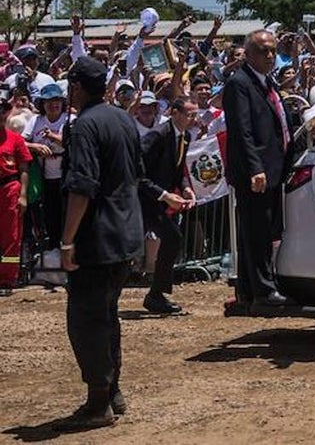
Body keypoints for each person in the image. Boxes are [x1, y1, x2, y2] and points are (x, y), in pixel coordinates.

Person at [57, 56, 145, 430]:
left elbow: (82, 187)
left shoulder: (83, 128)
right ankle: (113, 392)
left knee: (86, 320)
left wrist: (67, 240)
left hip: (97, 237)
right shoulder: (123, 118)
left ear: (76, 87)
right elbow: (137, 174)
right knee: (108, 315)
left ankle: (98, 402)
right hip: (126, 234)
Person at [223, 30, 291, 308]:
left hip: (274, 168)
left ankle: (249, 288)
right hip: (256, 171)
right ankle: (263, 290)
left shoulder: (267, 82)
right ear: (248, 54)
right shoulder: (240, 83)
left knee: (260, 230)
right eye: (264, 51)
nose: (270, 56)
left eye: (273, 50)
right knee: (257, 232)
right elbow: (242, 131)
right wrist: (255, 168)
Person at [138, 96, 198, 315]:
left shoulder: (184, 137)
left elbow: (178, 169)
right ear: (174, 113)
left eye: (195, 115)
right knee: (127, 246)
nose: (194, 119)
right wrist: (164, 195)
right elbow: (138, 171)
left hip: (160, 199)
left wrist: (185, 188)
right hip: (143, 198)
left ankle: (156, 295)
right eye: (190, 115)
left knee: (172, 238)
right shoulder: (158, 135)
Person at [22, 82, 69, 250]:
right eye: (48, 101)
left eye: (56, 100)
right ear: (42, 104)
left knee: (66, 215)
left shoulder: (70, 119)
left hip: (66, 176)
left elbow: (74, 143)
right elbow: (21, 142)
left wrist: (52, 136)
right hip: (44, 176)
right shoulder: (36, 120)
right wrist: (35, 147)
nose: (53, 104)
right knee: (49, 215)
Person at [0, 92, 32, 297]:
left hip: (9, 189)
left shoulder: (15, 140)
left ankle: (7, 279)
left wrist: (23, 195)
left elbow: (24, 169)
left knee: (11, 236)